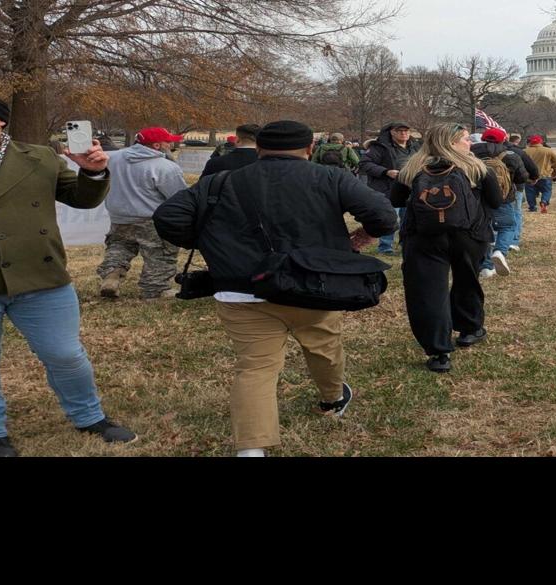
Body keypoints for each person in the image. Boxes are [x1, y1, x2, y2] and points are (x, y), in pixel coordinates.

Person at [153, 120, 398, 457]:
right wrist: (364, 236)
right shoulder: (331, 177)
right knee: (325, 349)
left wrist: (213, 244)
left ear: (258, 149)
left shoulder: (220, 181)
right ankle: (332, 398)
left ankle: (251, 450)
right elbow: (384, 216)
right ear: (309, 149)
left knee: (255, 367)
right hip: (314, 284)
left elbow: (167, 217)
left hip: (241, 290)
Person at [0, 92, 138, 457]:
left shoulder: (40, 156)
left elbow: (82, 198)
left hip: (41, 278)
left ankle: (90, 417)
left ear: (0, 119)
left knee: (65, 355)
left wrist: (92, 171)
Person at [387, 123, 502, 374]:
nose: (470, 143)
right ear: (450, 142)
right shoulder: (476, 167)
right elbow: (496, 200)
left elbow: (395, 199)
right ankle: (470, 329)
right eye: (465, 139)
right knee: (466, 280)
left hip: (422, 235)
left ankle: (439, 351)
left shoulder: (413, 167)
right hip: (469, 234)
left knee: (428, 291)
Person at [95, 127, 188, 300]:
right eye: (168, 142)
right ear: (157, 145)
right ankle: (155, 289)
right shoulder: (165, 167)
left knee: (120, 246)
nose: (171, 145)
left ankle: (111, 276)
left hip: (119, 217)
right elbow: (178, 196)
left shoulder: (113, 158)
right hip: (151, 219)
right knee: (160, 253)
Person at [470, 127, 529, 278]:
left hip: (475, 199)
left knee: (482, 230)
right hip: (503, 198)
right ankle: (500, 251)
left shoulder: (470, 153)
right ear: (503, 140)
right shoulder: (510, 155)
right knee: (507, 226)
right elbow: (522, 177)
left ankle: (485, 266)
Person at [357, 122, 420, 255]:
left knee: (408, 219)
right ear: (392, 132)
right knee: (390, 218)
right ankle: (385, 247)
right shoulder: (380, 147)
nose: (404, 133)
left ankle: (406, 244)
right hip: (388, 189)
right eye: (400, 131)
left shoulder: (415, 146)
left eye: (406, 131)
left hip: (410, 187)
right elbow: (364, 163)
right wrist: (385, 172)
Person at [523, 134, 556, 213]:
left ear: (531, 142)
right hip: (545, 175)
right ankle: (544, 201)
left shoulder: (525, 151)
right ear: (541, 142)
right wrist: (555, 171)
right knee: (546, 191)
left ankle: (532, 207)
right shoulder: (548, 150)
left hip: (530, 176)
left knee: (530, 191)